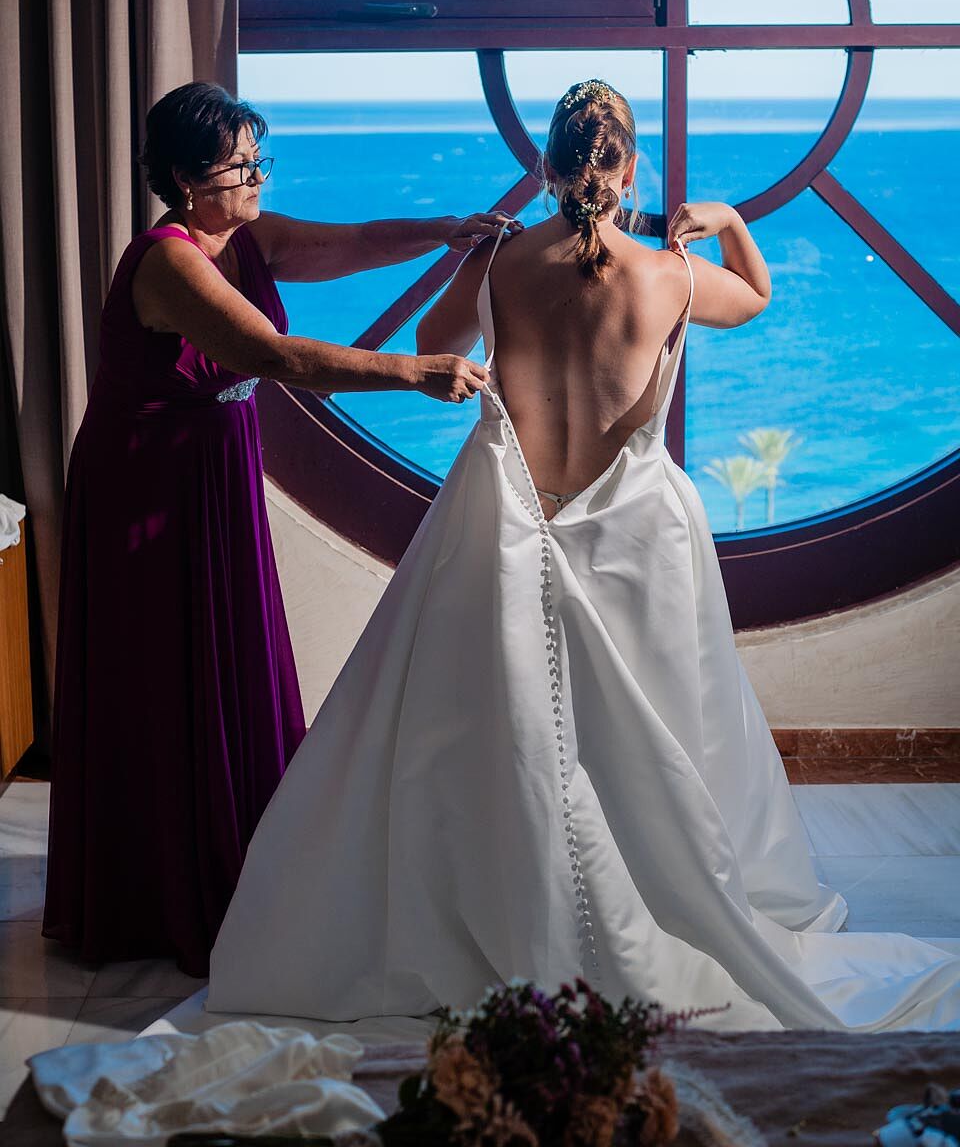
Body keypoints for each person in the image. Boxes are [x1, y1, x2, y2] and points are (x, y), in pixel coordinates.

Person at [207, 80, 960, 1031]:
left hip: (511, 527)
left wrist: (479, 261)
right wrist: (725, 217)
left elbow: (436, 345)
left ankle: (498, 898)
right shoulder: (672, 278)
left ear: (550, 169)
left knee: (495, 733)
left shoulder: (502, 266)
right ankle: (653, 893)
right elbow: (759, 297)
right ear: (629, 169)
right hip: (636, 538)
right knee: (661, 734)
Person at [42, 80, 521, 977]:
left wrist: (443, 232)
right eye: (241, 162)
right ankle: (161, 890)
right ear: (187, 177)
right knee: (161, 673)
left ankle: (237, 856)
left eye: (261, 158)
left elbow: (342, 245)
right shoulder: (168, 262)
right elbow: (275, 357)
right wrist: (417, 372)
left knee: (222, 662)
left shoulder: (245, 235)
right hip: (147, 484)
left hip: (211, 473)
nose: (259, 174)